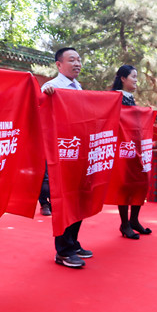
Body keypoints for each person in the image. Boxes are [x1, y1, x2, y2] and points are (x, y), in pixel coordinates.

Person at [42, 47, 93, 269]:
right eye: (72, 60)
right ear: (59, 64)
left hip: (79, 153)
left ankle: (73, 242)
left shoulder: (78, 88)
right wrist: (46, 95)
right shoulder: (51, 87)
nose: (77, 63)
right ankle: (63, 251)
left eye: (79, 59)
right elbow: (40, 112)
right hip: (61, 155)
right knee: (64, 201)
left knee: (78, 199)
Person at [110, 65, 151, 239]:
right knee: (125, 184)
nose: (136, 80)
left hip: (136, 147)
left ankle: (134, 220)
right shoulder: (114, 97)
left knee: (140, 181)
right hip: (122, 149)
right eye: (133, 76)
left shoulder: (130, 97)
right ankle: (124, 223)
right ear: (123, 78)